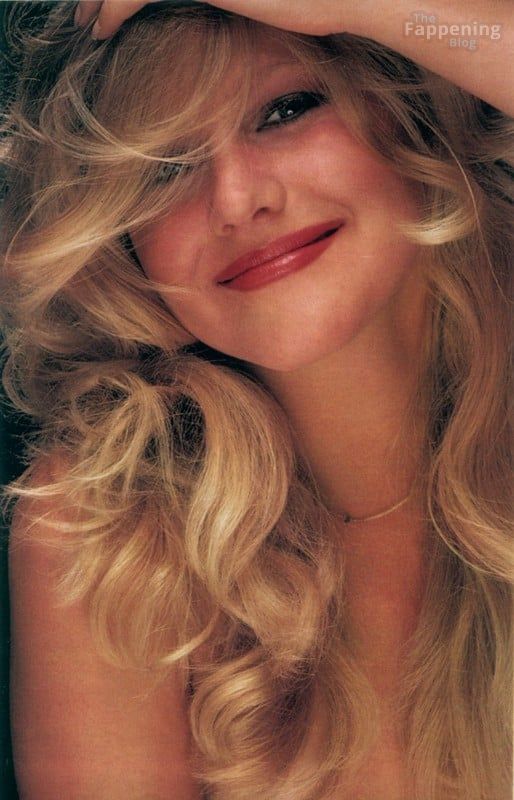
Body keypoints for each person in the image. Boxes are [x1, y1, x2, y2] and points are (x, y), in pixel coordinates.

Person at [0, 1, 512, 798]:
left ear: (411, 106)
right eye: (163, 167)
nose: (236, 200)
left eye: (286, 110)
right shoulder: (112, 535)